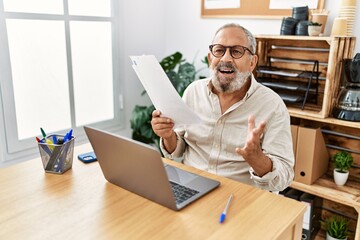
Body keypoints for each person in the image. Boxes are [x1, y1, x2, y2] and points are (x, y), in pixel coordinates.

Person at [151, 23, 294, 192]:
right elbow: (179, 148)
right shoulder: (193, 91)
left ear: (252, 62)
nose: (226, 58)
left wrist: (257, 159)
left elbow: (285, 177)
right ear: (211, 58)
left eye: (236, 51)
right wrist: (168, 136)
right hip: (190, 187)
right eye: (219, 50)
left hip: (239, 198)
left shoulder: (272, 105)